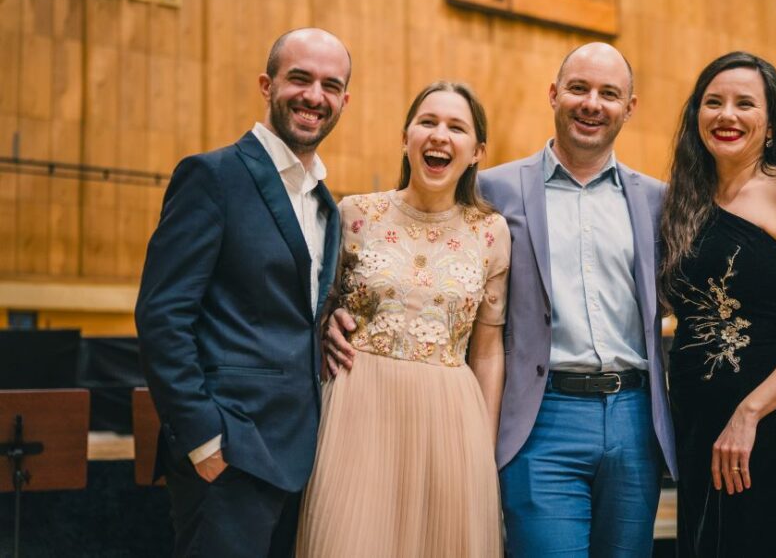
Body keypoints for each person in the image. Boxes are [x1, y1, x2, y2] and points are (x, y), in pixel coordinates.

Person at [135, 27, 352, 558]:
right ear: (267, 84)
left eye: (330, 85)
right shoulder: (212, 177)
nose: (314, 96)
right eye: (299, 79)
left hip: (303, 455)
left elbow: (291, 308)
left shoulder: (326, 202)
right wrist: (204, 439)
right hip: (228, 453)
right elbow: (162, 317)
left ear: (345, 100)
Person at [295, 81, 510, 557]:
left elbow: (489, 347)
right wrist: (327, 322)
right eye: (427, 122)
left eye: (456, 127)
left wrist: (484, 445)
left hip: (451, 418)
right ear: (405, 137)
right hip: (358, 407)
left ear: (476, 152)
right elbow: (316, 310)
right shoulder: (354, 213)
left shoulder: (491, 232)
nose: (439, 135)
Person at [479, 42, 675, 556]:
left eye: (609, 94)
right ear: (553, 94)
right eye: (579, 88)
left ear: (629, 107)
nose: (592, 104)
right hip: (541, 419)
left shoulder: (658, 201)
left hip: (634, 418)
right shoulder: (492, 189)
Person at [660, 51, 776, 557]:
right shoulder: (684, 201)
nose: (727, 115)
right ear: (695, 115)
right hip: (698, 422)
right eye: (713, 102)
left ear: (770, 124)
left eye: (745, 103)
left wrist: (749, 413)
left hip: (765, 420)